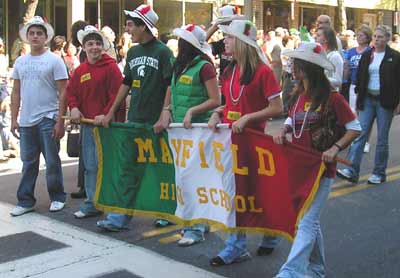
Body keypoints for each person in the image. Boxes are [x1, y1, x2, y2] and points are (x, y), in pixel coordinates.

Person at [273, 41, 360, 278]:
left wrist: (335, 148)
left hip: (321, 170)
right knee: (308, 220)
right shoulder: (299, 93)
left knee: (307, 222)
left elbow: (354, 127)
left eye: (295, 63)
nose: (291, 66)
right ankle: (317, 269)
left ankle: (292, 272)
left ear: (307, 67)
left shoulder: (332, 98)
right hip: (300, 168)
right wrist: (284, 130)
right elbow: (292, 119)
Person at [207, 20, 283, 266]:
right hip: (231, 142)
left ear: (242, 42)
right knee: (234, 194)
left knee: (257, 194)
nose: (224, 41)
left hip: (254, 143)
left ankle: (271, 234)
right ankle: (236, 245)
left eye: (229, 37)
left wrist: (249, 117)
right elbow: (229, 103)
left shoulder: (262, 71)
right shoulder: (229, 69)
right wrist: (218, 112)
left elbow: (277, 107)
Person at [96, 4, 174, 231]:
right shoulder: (132, 52)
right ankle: (118, 218)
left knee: (161, 170)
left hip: (155, 124)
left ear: (144, 27)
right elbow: (126, 83)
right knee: (128, 169)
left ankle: (165, 213)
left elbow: (170, 84)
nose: (128, 29)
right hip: (135, 120)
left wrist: (164, 113)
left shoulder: (163, 52)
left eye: (132, 25)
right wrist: (111, 112)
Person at [154, 24, 220, 246]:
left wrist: (192, 111)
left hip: (199, 131)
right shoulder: (178, 65)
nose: (177, 43)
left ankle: (196, 227)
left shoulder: (205, 67)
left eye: (181, 40)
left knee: (195, 179)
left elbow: (215, 100)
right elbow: (170, 91)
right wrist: (166, 111)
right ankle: (196, 222)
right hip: (181, 131)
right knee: (183, 179)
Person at [10, 16, 68, 216]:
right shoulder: (20, 61)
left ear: (46, 37)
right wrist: (14, 119)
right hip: (26, 121)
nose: (35, 36)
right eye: (32, 33)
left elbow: (64, 93)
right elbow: (16, 92)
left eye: (39, 33)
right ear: (27, 36)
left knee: (52, 161)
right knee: (28, 163)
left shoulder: (55, 60)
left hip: (48, 118)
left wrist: (60, 121)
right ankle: (25, 201)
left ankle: (58, 197)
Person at [66, 25, 125, 219]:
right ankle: (92, 203)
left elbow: (117, 96)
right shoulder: (80, 70)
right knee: (91, 166)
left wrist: (106, 114)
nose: (94, 47)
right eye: (90, 44)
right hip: (88, 125)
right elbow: (71, 93)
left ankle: (112, 204)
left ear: (103, 46)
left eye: (98, 43)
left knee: (108, 165)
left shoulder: (111, 67)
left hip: (108, 127)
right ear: (83, 47)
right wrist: (74, 107)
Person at [337, 25, 400, 185]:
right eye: (375, 37)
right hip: (367, 100)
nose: (377, 39)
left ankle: (379, 173)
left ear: (387, 39)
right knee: (360, 134)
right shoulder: (367, 55)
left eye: (380, 37)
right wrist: (359, 100)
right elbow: (361, 78)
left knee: (382, 139)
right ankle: (352, 170)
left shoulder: (395, 56)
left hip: (385, 102)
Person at [69, 20, 89, 200]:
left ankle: (86, 187)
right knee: (84, 149)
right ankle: (84, 185)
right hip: (84, 109)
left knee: (88, 150)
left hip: (92, 111)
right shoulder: (83, 54)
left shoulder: (86, 53)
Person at [206, 5, 245, 79]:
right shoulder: (223, 43)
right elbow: (201, 45)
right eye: (224, 24)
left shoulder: (245, 43)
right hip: (225, 84)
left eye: (229, 23)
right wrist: (215, 26)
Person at [315, 26, 343, 91]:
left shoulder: (335, 56)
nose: (316, 37)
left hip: (329, 94)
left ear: (326, 39)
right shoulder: (319, 54)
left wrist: (320, 78)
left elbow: (338, 81)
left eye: (318, 35)